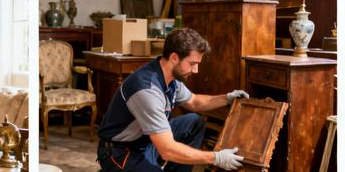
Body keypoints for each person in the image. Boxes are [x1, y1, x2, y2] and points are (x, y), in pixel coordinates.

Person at [96, 28, 247, 171]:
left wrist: (227, 98)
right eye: (192, 64)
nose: (196, 70)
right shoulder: (147, 90)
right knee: (167, 150)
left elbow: (194, 102)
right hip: (119, 152)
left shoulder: (171, 79)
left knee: (194, 122)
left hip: (145, 141)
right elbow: (168, 150)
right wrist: (216, 158)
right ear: (174, 57)